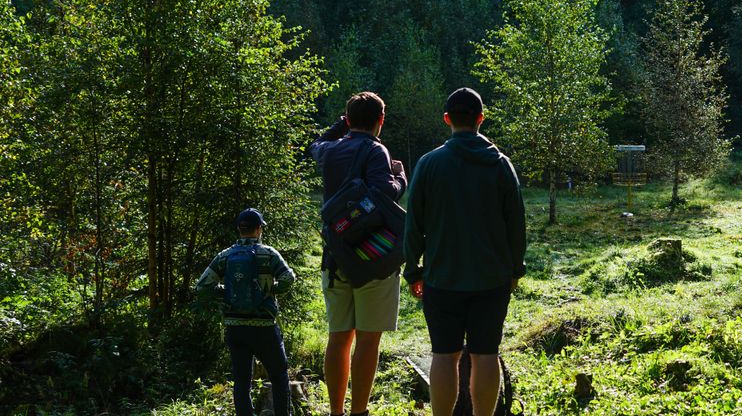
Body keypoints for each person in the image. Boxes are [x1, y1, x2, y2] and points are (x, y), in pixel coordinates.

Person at [404, 87, 526, 416]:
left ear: (447, 120)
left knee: (444, 355)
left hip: (441, 278)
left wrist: (413, 271)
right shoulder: (501, 165)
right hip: (492, 278)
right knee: (486, 354)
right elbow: (517, 224)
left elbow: (413, 224)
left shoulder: (429, 164)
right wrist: (516, 270)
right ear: (481, 120)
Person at [310, 91, 407, 416]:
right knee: (367, 341)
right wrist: (400, 178)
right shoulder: (376, 150)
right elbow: (383, 192)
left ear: (349, 120)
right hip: (373, 258)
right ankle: (359, 412)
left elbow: (316, 142)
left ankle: (335, 411)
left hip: (335, 256)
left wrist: (342, 123)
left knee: (338, 337)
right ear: (381, 121)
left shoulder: (329, 150)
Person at [194, 208, 297, 416]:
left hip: (235, 328)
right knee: (278, 377)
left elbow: (202, 288)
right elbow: (288, 279)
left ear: (239, 230)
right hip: (264, 327)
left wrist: (225, 292)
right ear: (258, 229)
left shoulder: (225, 255)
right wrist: (269, 291)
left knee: (241, 382)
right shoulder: (268, 253)